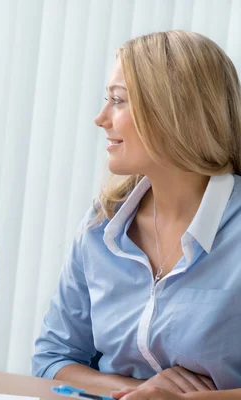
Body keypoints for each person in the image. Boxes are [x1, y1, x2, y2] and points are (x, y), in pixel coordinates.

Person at [31, 30, 241, 397]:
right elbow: (52, 359)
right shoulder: (103, 223)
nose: (100, 118)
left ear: (173, 111)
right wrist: (138, 390)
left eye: (118, 101)